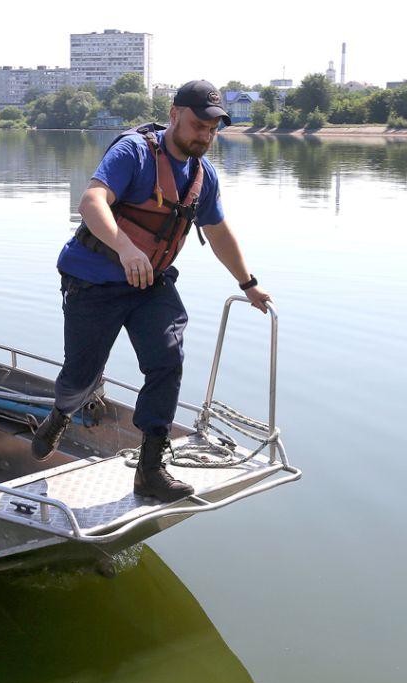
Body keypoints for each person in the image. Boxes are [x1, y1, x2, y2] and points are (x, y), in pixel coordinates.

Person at [31, 79, 272, 503]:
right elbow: (92, 202)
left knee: (167, 358)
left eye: (213, 129)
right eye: (199, 124)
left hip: (149, 285)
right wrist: (125, 248)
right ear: (175, 114)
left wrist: (248, 283)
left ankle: (151, 467)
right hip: (94, 281)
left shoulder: (203, 175)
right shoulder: (135, 152)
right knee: (80, 377)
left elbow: (216, 231)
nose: (206, 135)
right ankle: (61, 413)